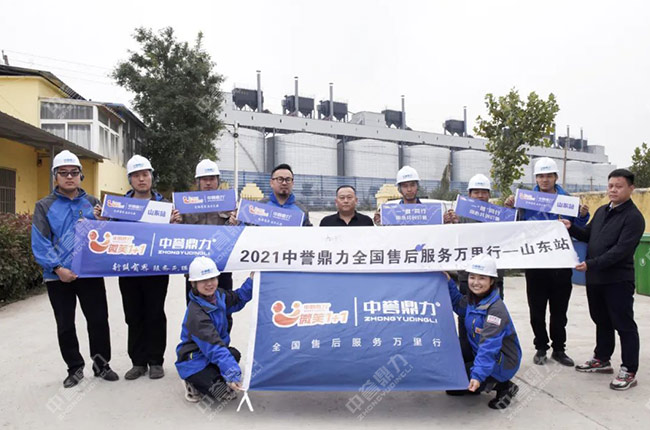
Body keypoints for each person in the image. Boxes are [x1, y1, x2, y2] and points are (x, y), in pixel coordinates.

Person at [32, 150, 117, 388]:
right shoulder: (44, 206)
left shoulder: (93, 203)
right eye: (63, 173)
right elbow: (40, 241)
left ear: (81, 175)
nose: (69, 177)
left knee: (98, 320)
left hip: (90, 273)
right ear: (55, 177)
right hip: (58, 276)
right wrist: (57, 268)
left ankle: (101, 365)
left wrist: (104, 221)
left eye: (74, 172)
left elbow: (109, 235)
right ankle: (74, 368)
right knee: (65, 324)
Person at [562, 169, 645, 390]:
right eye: (610, 186)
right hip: (595, 279)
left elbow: (621, 251)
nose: (613, 190)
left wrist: (591, 264)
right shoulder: (602, 211)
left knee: (624, 324)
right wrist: (572, 228)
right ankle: (602, 358)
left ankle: (629, 369)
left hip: (618, 280)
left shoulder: (634, 218)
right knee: (601, 320)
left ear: (630, 188)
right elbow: (588, 235)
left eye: (619, 186)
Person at [100, 155, 180, 381]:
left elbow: (175, 236)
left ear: (152, 177)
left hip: (156, 271)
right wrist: (103, 220)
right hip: (129, 270)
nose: (141, 179)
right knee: (133, 316)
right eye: (136, 176)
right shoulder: (119, 207)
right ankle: (138, 362)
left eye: (145, 174)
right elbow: (108, 233)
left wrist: (174, 223)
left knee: (155, 314)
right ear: (130, 180)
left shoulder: (165, 207)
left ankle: (155, 362)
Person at [504, 157, 590, 367]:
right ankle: (541, 347)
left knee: (559, 312)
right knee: (537, 310)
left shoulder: (567, 200)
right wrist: (511, 208)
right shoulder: (525, 200)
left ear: (555, 177)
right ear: (536, 178)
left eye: (548, 176)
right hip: (536, 262)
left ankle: (559, 349)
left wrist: (582, 215)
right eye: (540, 176)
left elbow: (578, 228)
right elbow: (514, 224)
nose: (544, 180)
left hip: (560, 263)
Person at [445, 254, 521, 409]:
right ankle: (479, 380)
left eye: (482, 278)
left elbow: (489, 346)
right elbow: (458, 304)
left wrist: (477, 376)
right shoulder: (474, 300)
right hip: (480, 352)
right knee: (451, 380)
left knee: (459, 378)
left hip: (502, 361)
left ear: (491, 281)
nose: (476, 282)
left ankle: (504, 386)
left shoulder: (495, 310)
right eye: (472, 277)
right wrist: (448, 281)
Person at [443, 174, 505, 362]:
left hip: (493, 279)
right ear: (469, 195)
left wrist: (511, 211)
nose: (480, 196)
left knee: (492, 320)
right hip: (468, 278)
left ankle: (490, 362)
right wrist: (449, 224)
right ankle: (467, 362)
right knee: (466, 320)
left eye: (483, 192)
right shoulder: (459, 217)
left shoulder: (500, 216)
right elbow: (448, 240)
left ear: (489, 194)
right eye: (476, 192)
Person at [176, 257, 253, 402]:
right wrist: (232, 375)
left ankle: (211, 376)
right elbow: (214, 347)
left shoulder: (219, 295)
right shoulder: (196, 314)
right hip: (194, 359)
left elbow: (238, 298)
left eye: (212, 278)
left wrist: (252, 281)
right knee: (220, 390)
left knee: (234, 354)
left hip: (211, 352)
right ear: (193, 283)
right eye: (203, 280)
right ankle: (191, 381)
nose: (209, 284)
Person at [176, 159, 235, 324]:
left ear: (218, 181)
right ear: (197, 182)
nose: (208, 183)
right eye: (204, 179)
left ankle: (222, 341)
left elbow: (236, 233)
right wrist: (175, 222)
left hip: (222, 270)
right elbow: (177, 234)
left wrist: (235, 222)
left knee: (224, 313)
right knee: (195, 315)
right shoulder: (185, 205)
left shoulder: (229, 204)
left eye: (212, 179)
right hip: (195, 272)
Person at [231, 163, 312, 226]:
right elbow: (246, 233)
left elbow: (309, 236)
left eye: (288, 180)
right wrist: (235, 223)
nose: (284, 183)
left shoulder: (301, 211)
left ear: (292, 183)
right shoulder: (258, 207)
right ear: (271, 183)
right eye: (280, 179)